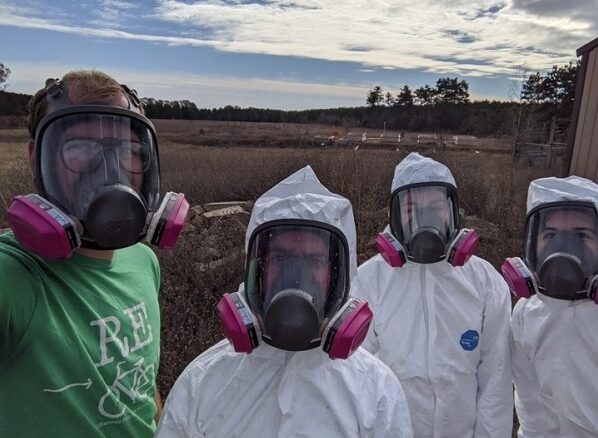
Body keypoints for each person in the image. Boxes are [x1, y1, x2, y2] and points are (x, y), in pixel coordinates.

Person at [156, 166, 413, 438]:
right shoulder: (204, 381)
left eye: (314, 261)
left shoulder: (374, 391)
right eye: (280, 257)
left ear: (338, 272)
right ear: (258, 268)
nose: (296, 275)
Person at [0, 71, 188, 437]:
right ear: (37, 156)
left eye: (127, 150)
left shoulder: (142, 260)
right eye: (80, 148)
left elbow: (140, 387)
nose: (110, 169)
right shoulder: (13, 277)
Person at [353, 152, 513, 437]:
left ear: (453, 213)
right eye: (412, 208)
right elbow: (360, 378)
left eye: (436, 206)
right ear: (395, 216)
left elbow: (495, 379)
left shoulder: (485, 282)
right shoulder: (369, 280)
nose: (424, 218)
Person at [505, 176, 598, 437]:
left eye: (581, 235)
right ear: (534, 243)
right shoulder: (526, 313)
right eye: (551, 235)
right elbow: (531, 407)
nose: (564, 247)